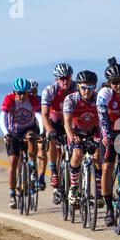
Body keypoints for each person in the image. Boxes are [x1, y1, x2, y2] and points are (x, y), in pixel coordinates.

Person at [97, 57, 120, 226]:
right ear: (109, 83)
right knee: (107, 168)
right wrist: (105, 134)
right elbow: (102, 115)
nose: (118, 86)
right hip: (109, 132)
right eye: (114, 83)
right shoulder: (105, 93)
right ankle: (109, 209)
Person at [0, 78, 44, 209]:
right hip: (13, 132)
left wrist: (41, 132)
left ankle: (32, 166)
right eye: (19, 93)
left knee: (31, 137)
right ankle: (12, 194)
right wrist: (6, 133)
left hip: (28, 129)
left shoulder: (33, 99)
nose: (22, 96)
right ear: (14, 92)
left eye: (24, 93)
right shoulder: (9, 98)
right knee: (13, 162)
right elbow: (2, 118)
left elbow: (39, 117)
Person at [63, 70, 102, 206]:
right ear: (78, 86)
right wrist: (72, 137)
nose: (87, 91)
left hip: (93, 132)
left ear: (95, 87)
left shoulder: (98, 98)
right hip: (76, 133)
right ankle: (73, 187)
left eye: (90, 87)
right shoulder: (71, 99)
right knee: (78, 154)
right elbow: (67, 122)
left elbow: (103, 121)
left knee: (98, 156)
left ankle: (98, 192)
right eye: (84, 87)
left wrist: (100, 137)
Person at [41, 63, 77, 203]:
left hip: (71, 121)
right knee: (52, 141)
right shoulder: (49, 90)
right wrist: (49, 130)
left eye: (67, 78)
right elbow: (44, 115)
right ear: (56, 79)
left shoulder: (76, 88)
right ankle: (54, 173)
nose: (65, 81)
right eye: (61, 78)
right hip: (54, 121)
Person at [28, 78, 48, 190]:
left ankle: (41, 177)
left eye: (34, 91)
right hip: (26, 129)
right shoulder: (23, 101)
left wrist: (43, 132)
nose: (32, 94)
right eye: (29, 92)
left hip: (39, 128)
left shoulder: (41, 100)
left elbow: (45, 116)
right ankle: (27, 171)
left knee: (42, 150)